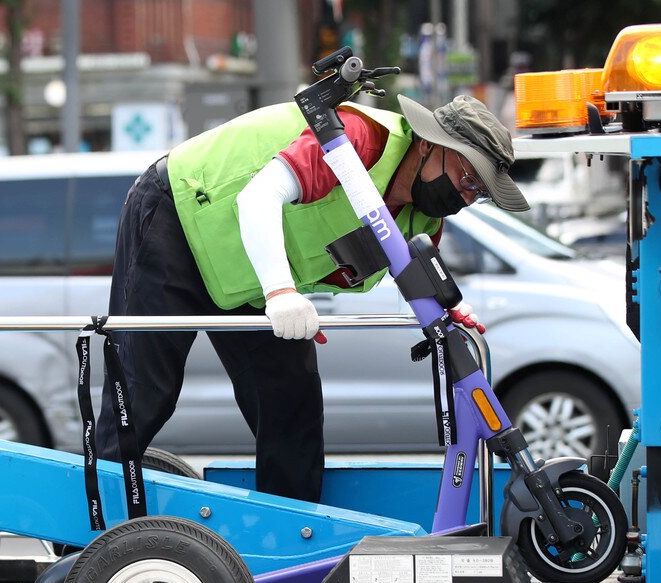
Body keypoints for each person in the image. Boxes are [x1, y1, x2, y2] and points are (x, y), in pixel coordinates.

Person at [96, 95, 530, 504]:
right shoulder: (357, 138)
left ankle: (288, 540)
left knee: (291, 401)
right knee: (143, 392)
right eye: (467, 178)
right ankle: (82, 547)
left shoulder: (420, 216)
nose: (467, 196)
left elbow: (415, 277)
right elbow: (258, 197)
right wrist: (282, 293)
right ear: (429, 145)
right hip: (180, 217)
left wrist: (447, 308)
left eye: (479, 192)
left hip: (248, 273)